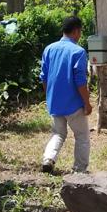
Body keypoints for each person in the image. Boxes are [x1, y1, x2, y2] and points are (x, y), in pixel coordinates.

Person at [40, 16, 92, 173]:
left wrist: (49, 97)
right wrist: (87, 103)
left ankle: (48, 159)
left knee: (58, 133)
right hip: (73, 103)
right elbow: (80, 81)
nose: (80, 35)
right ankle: (79, 169)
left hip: (55, 102)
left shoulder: (49, 49)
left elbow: (44, 78)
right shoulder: (78, 51)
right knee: (82, 136)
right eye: (80, 31)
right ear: (76, 31)